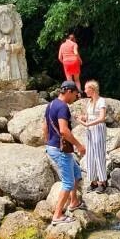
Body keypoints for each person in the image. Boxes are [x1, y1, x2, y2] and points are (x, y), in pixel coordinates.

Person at [43, 81, 86, 225]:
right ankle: (57, 215)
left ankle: (73, 202)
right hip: (61, 149)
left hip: (53, 147)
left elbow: (45, 125)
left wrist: (48, 142)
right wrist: (79, 146)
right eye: (75, 94)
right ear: (68, 91)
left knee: (76, 172)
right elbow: (63, 130)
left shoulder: (51, 104)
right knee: (67, 183)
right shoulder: (63, 107)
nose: (76, 97)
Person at [80, 79, 108, 193]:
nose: (85, 90)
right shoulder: (89, 102)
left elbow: (102, 118)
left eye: (86, 88)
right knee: (90, 154)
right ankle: (93, 181)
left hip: (98, 128)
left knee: (99, 154)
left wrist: (88, 123)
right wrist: (82, 118)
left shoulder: (101, 101)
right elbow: (88, 116)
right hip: (90, 129)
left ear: (92, 89)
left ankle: (103, 181)